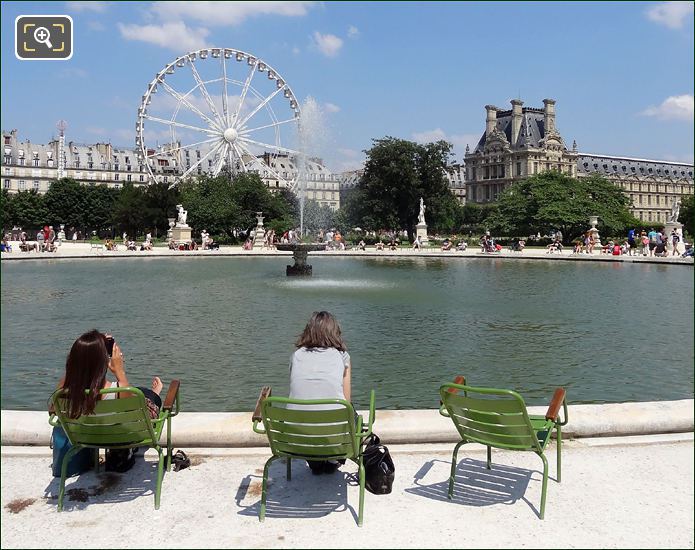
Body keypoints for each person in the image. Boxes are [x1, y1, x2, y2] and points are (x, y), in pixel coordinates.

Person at [289, 311, 352, 475]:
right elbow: (346, 400)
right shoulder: (342, 356)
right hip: (332, 433)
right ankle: (332, 459)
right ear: (335, 332)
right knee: (348, 412)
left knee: (308, 409)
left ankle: (315, 461)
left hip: (297, 436)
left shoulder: (296, 355)